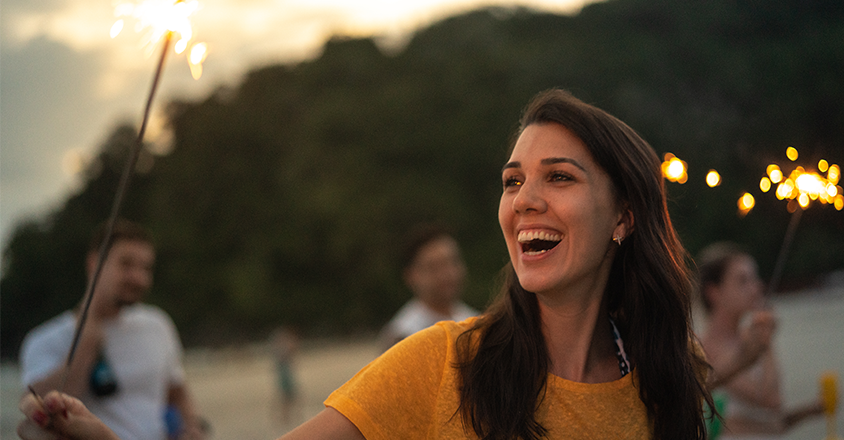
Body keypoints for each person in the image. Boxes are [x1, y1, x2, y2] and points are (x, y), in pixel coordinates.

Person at [19, 89, 712, 440]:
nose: (525, 199)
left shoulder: (665, 378)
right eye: (511, 181)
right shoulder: (441, 362)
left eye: (558, 177)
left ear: (623, 216)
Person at [18, 218, 205, 440]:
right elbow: (44, 414)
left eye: (145, 268)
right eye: (126, 264)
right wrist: (86, 346)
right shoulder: (44, 340)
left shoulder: (158, 324)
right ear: (93, 263)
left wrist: (192, 428)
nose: (138, 277)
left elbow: (177, 392)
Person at [697, 242, 824, 439]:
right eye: (743, 280)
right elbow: (770, 400)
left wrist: (812, 410)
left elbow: (770, 423)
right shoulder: (705, 350)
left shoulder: (748, 342)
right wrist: (765, 344)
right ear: (714, 291)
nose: (757, 287)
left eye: (754, 278)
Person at [377, 223, 478, 350]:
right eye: (434, 267)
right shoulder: (402, 336)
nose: (447, 274)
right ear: (411, 276)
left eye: (452, 262)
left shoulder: (476, 322)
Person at [270, 325, 302, 425]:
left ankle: (285, 416)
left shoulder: (279, 347)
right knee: (287, 395)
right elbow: (286, 355)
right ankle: (284, 417)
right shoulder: (282, 347)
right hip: (284, 372)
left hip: (285, 371)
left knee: (287, 395)